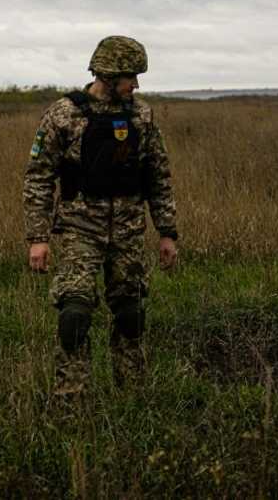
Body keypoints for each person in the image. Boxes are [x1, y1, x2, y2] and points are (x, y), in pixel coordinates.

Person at [23, 35, 178, 398]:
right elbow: (38, 177)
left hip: (128, 231)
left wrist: (167, 232)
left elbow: (158, 175)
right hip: (79, 229)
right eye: (130, 77)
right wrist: (38, 238)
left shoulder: (141, 116)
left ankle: (132, 399)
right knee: (74, 316)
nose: (136, 85)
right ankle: (71, 402)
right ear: (107, 75)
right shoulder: (64, 114)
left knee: (130, 315)